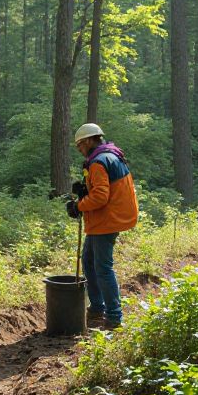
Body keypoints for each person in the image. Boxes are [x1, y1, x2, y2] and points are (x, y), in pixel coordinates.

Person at [67, 123, 139, 329]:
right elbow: (100, 189)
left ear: (89, 141)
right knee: (88, 260)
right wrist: (84, 190)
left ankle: (114, 317)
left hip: (107, 221)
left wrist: (79, 205)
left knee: (102, 267)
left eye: (80, 145)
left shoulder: (98, 162)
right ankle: (97, 308)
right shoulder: (109, 156)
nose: (80, 149)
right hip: (106, 219)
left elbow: (100, 197)